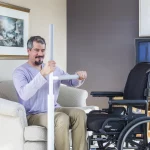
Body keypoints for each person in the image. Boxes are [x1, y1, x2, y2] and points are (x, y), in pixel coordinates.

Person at [13, 36, 87, 150]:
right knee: (61, 118)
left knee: (80, 114)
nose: (40, 53)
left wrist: (79, 77)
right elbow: (24, 94)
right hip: (34, 114)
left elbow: (72, 82)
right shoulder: (20, 72)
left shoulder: (54, 69)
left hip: (53, 109)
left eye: (42, 50)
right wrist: (43, 73)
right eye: (36, 50)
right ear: (28, 51)